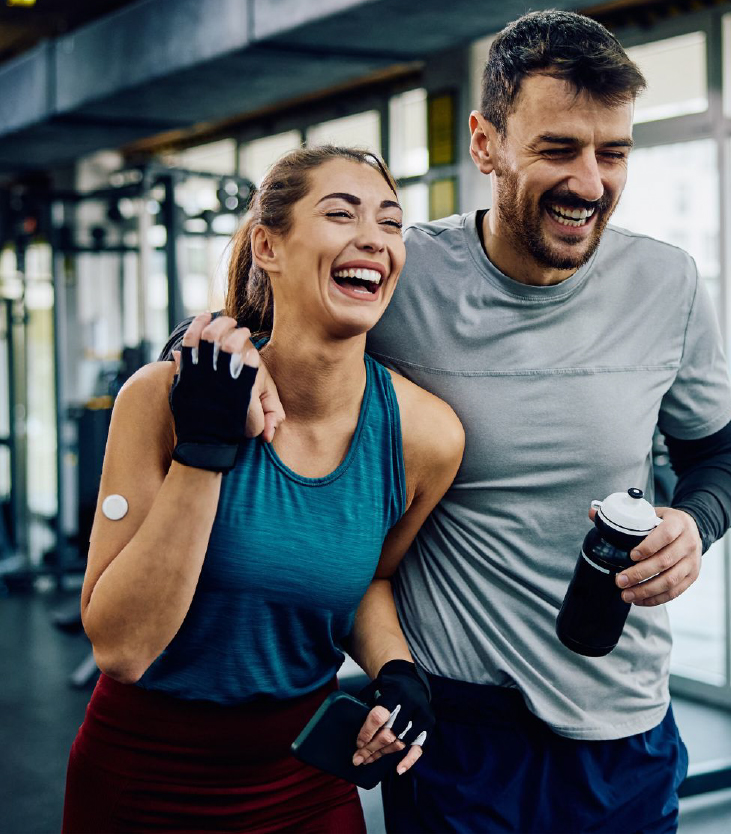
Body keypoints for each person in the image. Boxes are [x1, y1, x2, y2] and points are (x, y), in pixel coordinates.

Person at [166, 10, 731, 833]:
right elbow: (263, 326)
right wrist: (211, 345)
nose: (590, 182)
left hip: (623, 724)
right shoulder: (406, 274)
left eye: (612, 152)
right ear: (486, 145)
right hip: (460, 732)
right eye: (557, 149)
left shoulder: (669, 284)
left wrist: (694, 522)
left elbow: (723, 456)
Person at [62, 145, 464, 834]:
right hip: (142, 778)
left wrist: (398, 671)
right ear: (268, 246)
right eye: (341, 213)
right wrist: (205, 449)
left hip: (304, 781)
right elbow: (122, 650)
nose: (373, 237)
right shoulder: (161, 398)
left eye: (391, 223)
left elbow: (372, 579)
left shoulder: (425, 436)